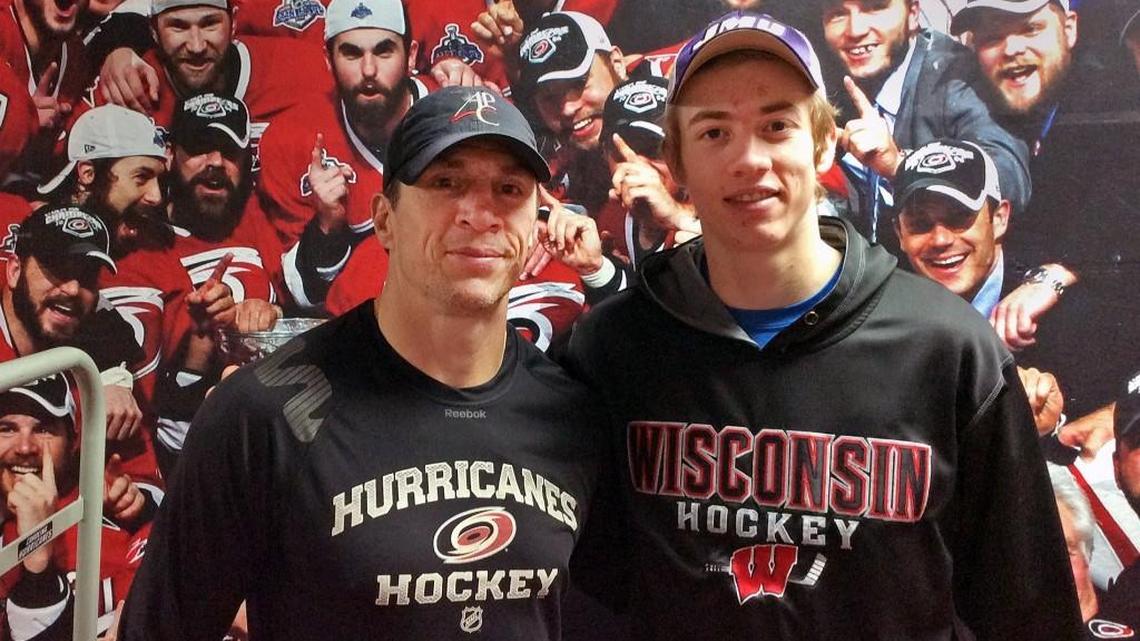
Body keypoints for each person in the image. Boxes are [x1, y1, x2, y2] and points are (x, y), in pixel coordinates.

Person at [563, 11, 1082, 639]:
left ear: (823, 144)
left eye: (776, 125)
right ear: (676, 158)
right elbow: (592, 595)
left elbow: (1027, 614)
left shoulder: (948, 352)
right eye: (714, 131)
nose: (749, 159)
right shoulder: (613, 349)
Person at [118, 85, 603, 640]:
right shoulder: (262, 413)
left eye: (509, 188)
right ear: (384, 219)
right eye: (446, 182)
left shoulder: (568, 412)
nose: (480, 213)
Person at [105, 93, 282, 475]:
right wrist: (204, 337)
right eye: (201, 148)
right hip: (183, 452)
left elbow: (302, 296)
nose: (215, 163)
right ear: (170, 155)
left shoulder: (251, 215)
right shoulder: (138, 245)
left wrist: (271, 313)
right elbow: (157, 408)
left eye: (228, 151)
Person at [255, 0, 436, 309]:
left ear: (412, 56)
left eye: (384, 50)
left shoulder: (457, 112)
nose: (368, 70)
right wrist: (327, 227)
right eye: (351, 53)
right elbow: (303, 298)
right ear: (328, 59)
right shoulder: (290, 139)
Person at [816, 0, 1030, 244]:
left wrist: (901, 166)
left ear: (914, 13)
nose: (855, 30)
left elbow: (1009, 178)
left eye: (875, 7)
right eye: (837, 14)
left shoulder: (958, 76)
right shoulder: (828, 73)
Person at [0, 373, 154, 639]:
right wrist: (37, 547)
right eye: (6, 429)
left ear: (73, 441)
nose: (25, 447)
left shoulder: (106, 511)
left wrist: (142, 512)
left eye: (44, 429)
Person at [84, 0, 334, 162]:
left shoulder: (304, 68)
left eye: (210, 25)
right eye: (178, 27)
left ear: (235, 23)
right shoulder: (127, 84)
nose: (196, 46)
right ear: (152, 32)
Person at [892, 139, 1013, 319]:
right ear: (900, 233)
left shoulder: (1055, 315)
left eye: (958, 218)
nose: (940, 240)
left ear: (999, 219)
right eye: (920, 224)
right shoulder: (890, 314)